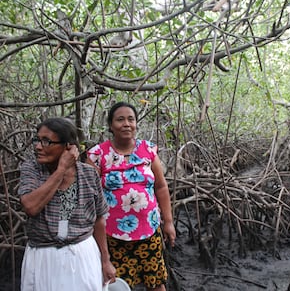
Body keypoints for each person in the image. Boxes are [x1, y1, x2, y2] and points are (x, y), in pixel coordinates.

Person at [86, 101, 176, 291]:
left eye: (131, 119)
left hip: (149, 231)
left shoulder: (148, 150)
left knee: (156, 283)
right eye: (120, 119)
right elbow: (89, 198)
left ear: (136, 123)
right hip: (111, 235)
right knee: (114, 285)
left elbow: (160, 187)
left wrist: (168, 222)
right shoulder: (97, 155)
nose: (126, 124)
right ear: (111, 125)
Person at [18, 117, 116, 291]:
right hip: (43, 258)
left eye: (46, 141)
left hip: (82, 256)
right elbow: (31, 207)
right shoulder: (32, 169)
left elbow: (99, 220)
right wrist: (61, 170)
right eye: (37, 140)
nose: (38, 146)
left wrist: (105, 261)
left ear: (68, 147)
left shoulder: (88, 174)